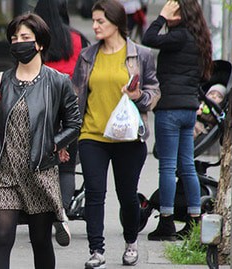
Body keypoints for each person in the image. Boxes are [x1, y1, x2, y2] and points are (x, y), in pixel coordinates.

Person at [0, 13, 82, 269]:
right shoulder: (0, 80)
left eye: (25, 37)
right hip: (4, 173)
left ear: (39, 44)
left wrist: (53, 143)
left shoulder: (58, 82)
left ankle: (58, 219)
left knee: (40, 240)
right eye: (14, 38)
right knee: (1, 238)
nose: (18, 43)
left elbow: (74, 124)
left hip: (39, 172)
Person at [71, 0, 160, 267]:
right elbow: (75, 96)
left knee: (127, 196)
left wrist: (139, 96)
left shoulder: (141, 55)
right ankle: (96, 251)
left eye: (101, 21)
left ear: (117, 24)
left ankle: (131, 241)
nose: (94, 25)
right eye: (94, 21)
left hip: (128, 137)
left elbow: (154, 93)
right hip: (92, 135)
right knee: (95, 194)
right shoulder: (88, 55)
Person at [142, 0, 213, 240]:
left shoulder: (178, 37)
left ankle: (166, 222)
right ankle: (194, 221)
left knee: (167, 167)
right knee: (187, 166)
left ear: (181, 14)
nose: (168, 11)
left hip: (170, 110)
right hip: (189, 110)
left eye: (173, 9)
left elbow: (148, 37)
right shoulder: (199, 39)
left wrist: (161, 16)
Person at [33, 0, 90, 247]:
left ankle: (41, 217)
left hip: (40, 109)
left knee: (39, 165)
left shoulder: (35, 39)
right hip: (71, 109)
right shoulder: (78, 39)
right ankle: (61, 213)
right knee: (66, 168)